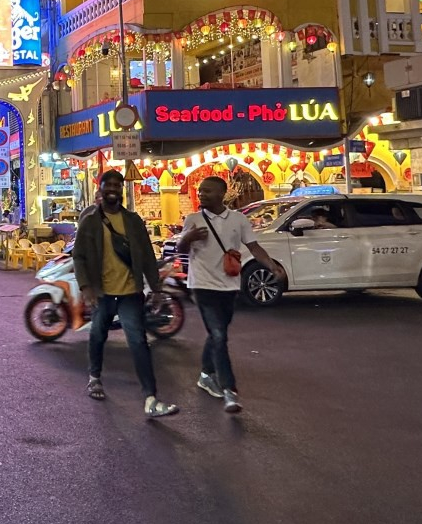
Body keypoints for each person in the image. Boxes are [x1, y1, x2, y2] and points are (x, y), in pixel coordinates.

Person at [179, 176, 287, 415]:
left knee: (217, 334)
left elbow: (253, 247)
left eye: (207, 191)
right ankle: (229, 389)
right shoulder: (193, 219)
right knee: (218, 335)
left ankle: (206, 375)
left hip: (229, 286)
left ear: (221, 194)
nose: (202, 194)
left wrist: (271, 266)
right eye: (200, 191)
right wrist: (188, 238)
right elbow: (181, 249)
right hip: (202, 285)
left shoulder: (239, 219)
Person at [74, 170, 174, 418]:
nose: (113, 189)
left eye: (117, 185)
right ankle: (94, 377)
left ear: (121, 190)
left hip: (130, 292)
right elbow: (79, 256)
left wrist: (156, 288)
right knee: (98, 335)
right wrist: (86, 287)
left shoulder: (133, 220)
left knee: (138, 342)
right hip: (103, 293)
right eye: (108, 184)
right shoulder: (90, 222)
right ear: (100, 189)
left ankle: (150, 398)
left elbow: (147, 254)